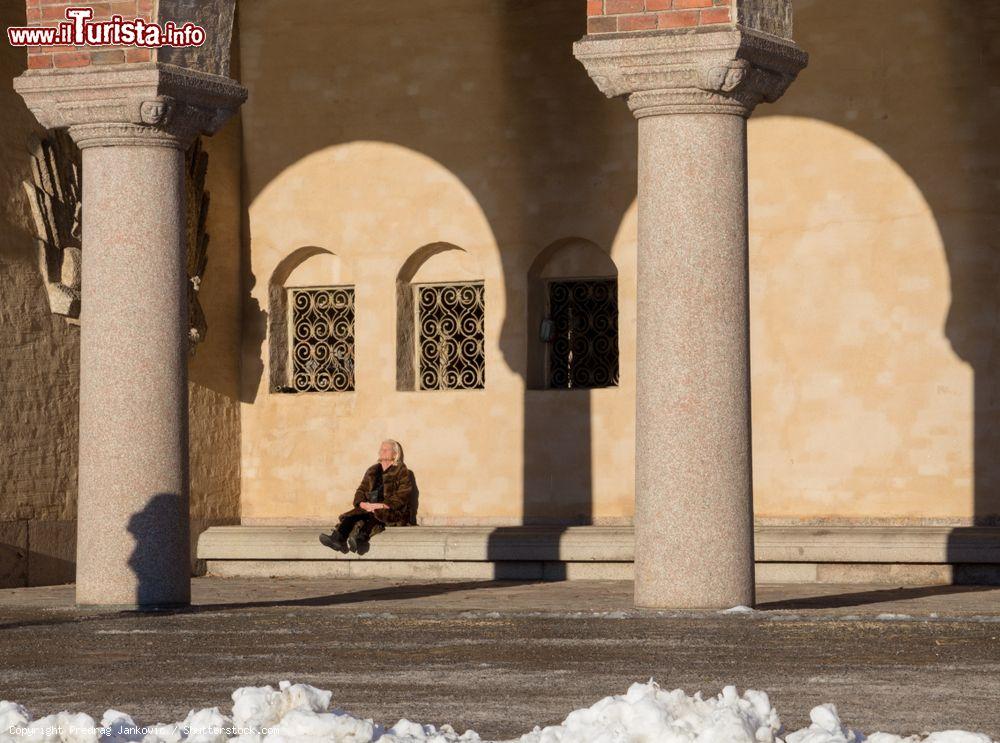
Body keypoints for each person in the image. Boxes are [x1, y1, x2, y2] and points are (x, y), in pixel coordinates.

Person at [319, 439, 413, 554]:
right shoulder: (372, 470)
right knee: (351, 516)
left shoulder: (401, 470)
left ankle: (360, 539)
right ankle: (337, 539)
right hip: (369, 506)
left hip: (390, 509)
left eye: (386, 449)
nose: (382, 451)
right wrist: (362, 503)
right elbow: (361, 490)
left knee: (375, 516)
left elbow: (403, 494)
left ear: (395, 453)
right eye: (381, 449)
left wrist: (381, 505)